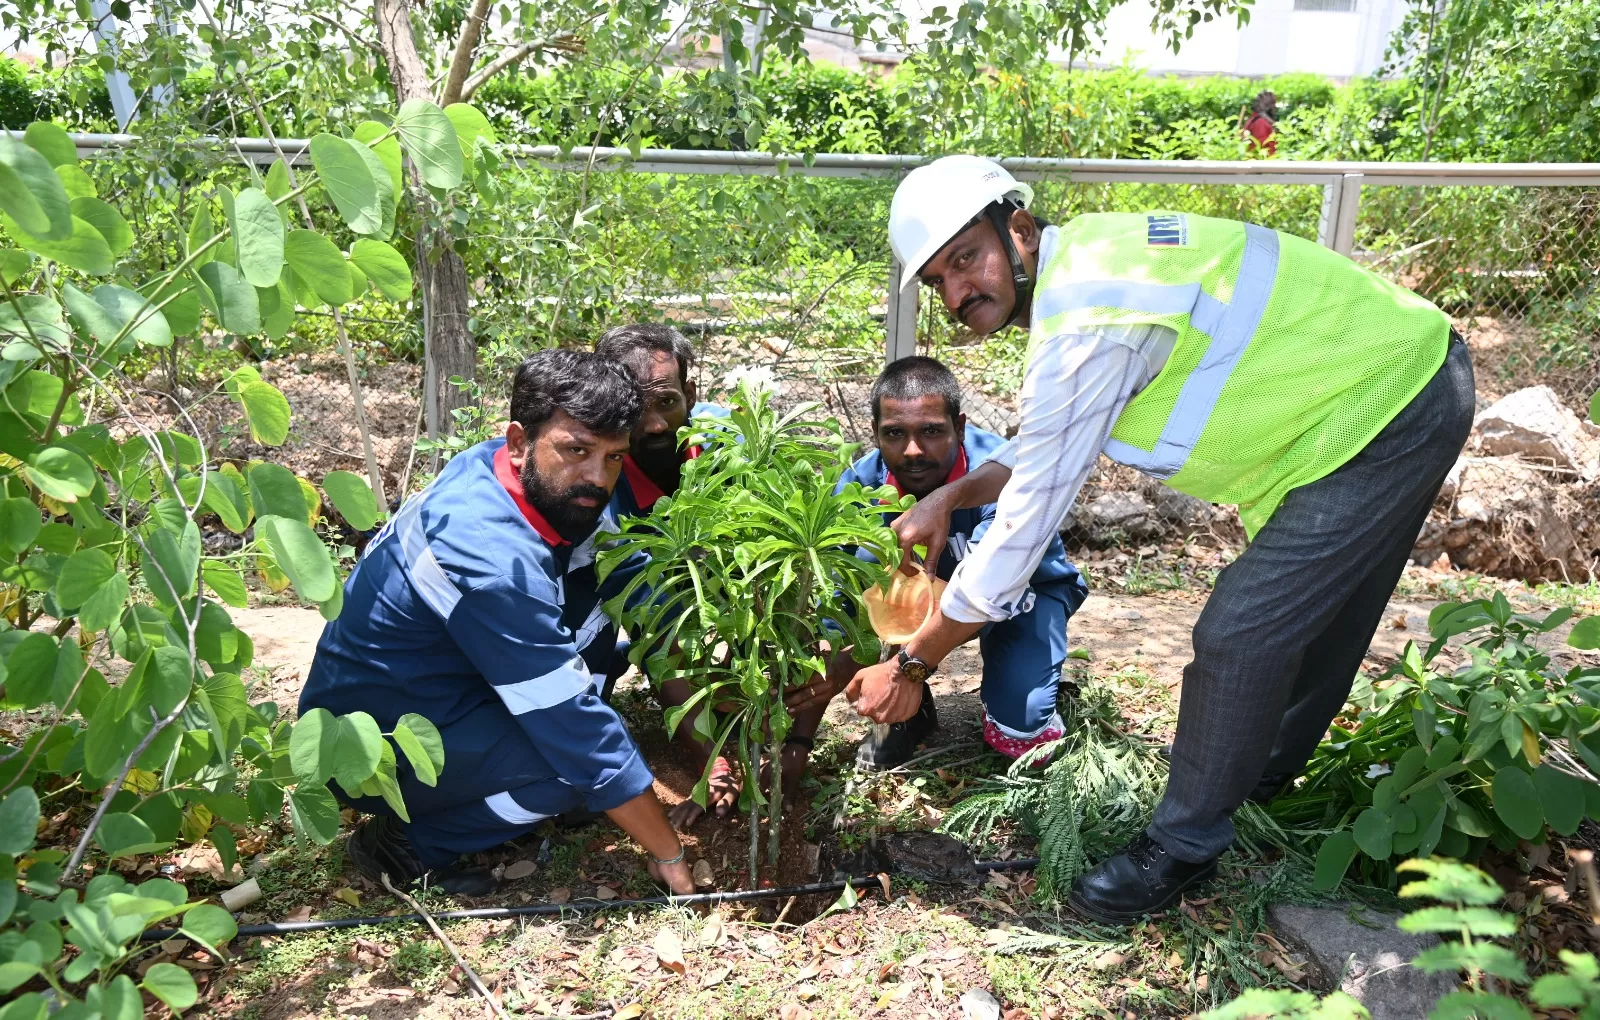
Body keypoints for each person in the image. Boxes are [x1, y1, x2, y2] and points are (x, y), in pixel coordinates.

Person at [851, 155, 1474, 924]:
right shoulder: (1089, 269)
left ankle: (1182, 847)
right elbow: (1047, 441)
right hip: (1375, 393)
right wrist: (951, 495)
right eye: (938, 281)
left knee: (1241, 631)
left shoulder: (1089, 319)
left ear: (1019, 230)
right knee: (1319, 619)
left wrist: (914, 662)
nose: (956, 293)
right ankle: (1253, 780)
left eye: (966, 259)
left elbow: (1023, 527)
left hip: (1388, 403)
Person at [301, 349, 697, 897]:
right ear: (518, 441)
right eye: (577, 450)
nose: (597, 477)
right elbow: (578, 733)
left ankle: (509, 784)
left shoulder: (515, 473)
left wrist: (715, 714)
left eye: (613, 458)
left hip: (436, 690)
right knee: (570, 763)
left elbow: (633, 580)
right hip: (369, 746)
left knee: (604, 644)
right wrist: (670, 853)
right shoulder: (488, 557)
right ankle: (406, 844)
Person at [781, 356, 1088, 779]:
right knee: (871, 574)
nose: (913, 450)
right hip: (932, 601)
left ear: (959, 428)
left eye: (931, 431)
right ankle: (908, 714)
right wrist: (798, 744)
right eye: (894, 434)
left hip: (1025, 594)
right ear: (875, 432)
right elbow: (839, 612)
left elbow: (988, 589)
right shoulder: (858, 488)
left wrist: (901, 669)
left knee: (1022, 724)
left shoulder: (1004, 474)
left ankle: (1019, 684)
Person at [594, 323, 738, 829]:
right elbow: (653, 625)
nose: (655, 424)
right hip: (646, 601)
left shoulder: (731, 444)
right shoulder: (599, 481)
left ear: (691, 394)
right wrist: (712, 762)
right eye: (636, 408)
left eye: (668, 402)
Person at [1241, 90, 1277, 156]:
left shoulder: (1255, 119)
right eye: (1273, 104)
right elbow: (1261, 147)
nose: (1275, 107)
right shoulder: (1261, 123)